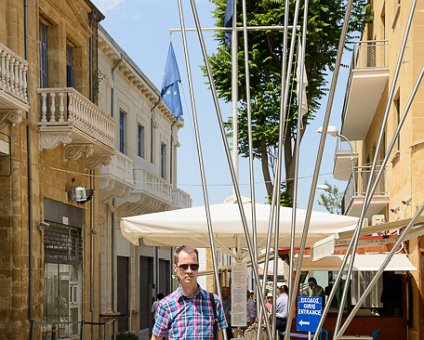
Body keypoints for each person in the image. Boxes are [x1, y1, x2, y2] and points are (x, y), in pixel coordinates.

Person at [151, 245, 228, 339]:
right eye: (184, 266)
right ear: (175, 268)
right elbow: (156, 338)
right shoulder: (166, 305)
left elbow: (220, 336)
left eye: (194, 266)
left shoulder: (214, 302)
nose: (189, 271)